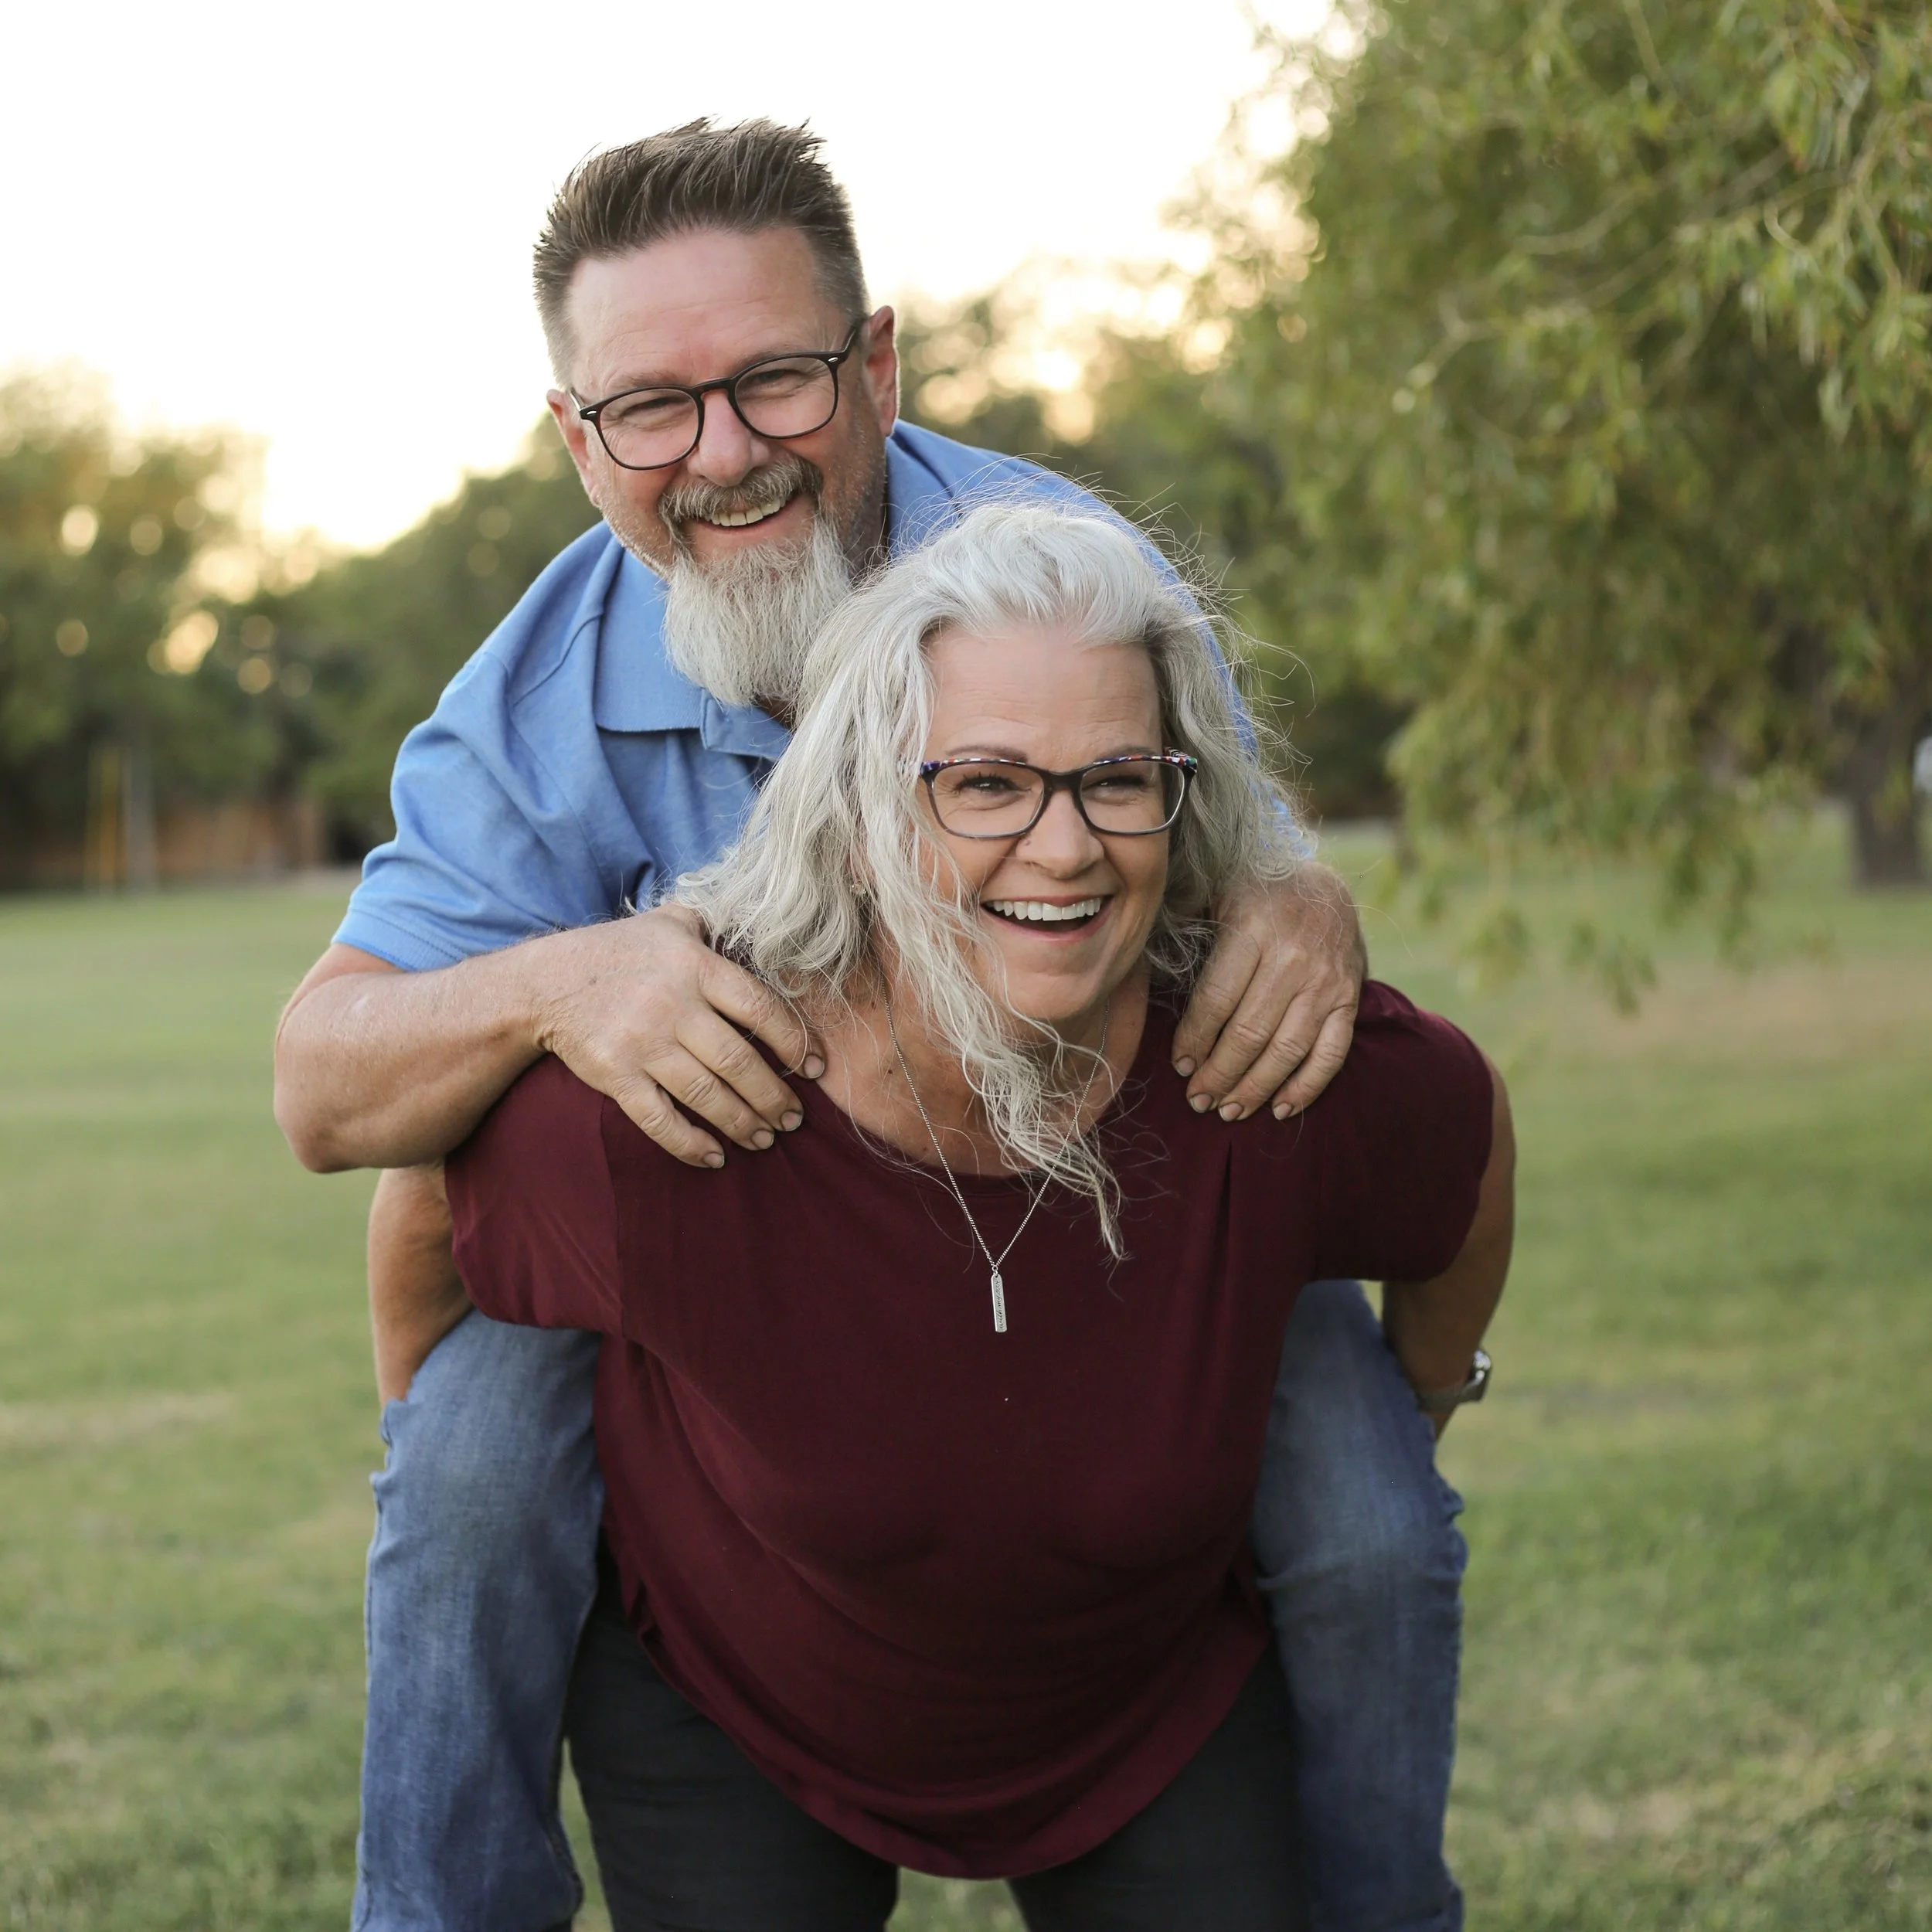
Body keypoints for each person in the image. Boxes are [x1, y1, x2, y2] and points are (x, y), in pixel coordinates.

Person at [270, 122, 1474, 1932]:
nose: (724, 451)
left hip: (1097, 1214)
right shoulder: (521, 706)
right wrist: (559, 976)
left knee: (1372, 1520)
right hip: (719, 1251)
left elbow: (1231, 851)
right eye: (650, 408)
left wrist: (1303, 897)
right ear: (575, 437)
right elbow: (323, 1089)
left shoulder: (1066, 576)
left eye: (772, 378)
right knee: (462, 1465)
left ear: (877, 362)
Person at [445, 501, 1515, 1932]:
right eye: (987, 784)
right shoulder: (697, 1088)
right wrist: (447, 1443)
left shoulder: (1262, 1063)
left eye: (1117, 780)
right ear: (870, 812)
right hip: (736, 1705)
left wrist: (1428, 1397)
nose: (1063, 847)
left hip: (1145, 1710)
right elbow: (424, 1213)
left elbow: (1465, 1140)